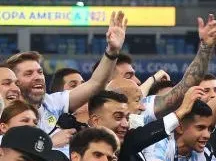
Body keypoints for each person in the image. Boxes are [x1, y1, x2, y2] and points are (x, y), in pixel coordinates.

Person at [4, 12, 127, 148]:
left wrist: (112, 51)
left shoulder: (52, 103)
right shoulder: (4, 114)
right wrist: (49, 144)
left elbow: (95, 83)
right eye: (28, 74)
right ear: (15, 81)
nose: (38, 77)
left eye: (40, 72)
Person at [142, 100, 216, 161]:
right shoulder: (158, 142)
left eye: (210, 129)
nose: (207, 135)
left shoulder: (198, 151)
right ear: (179, 127)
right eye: (200, 128)